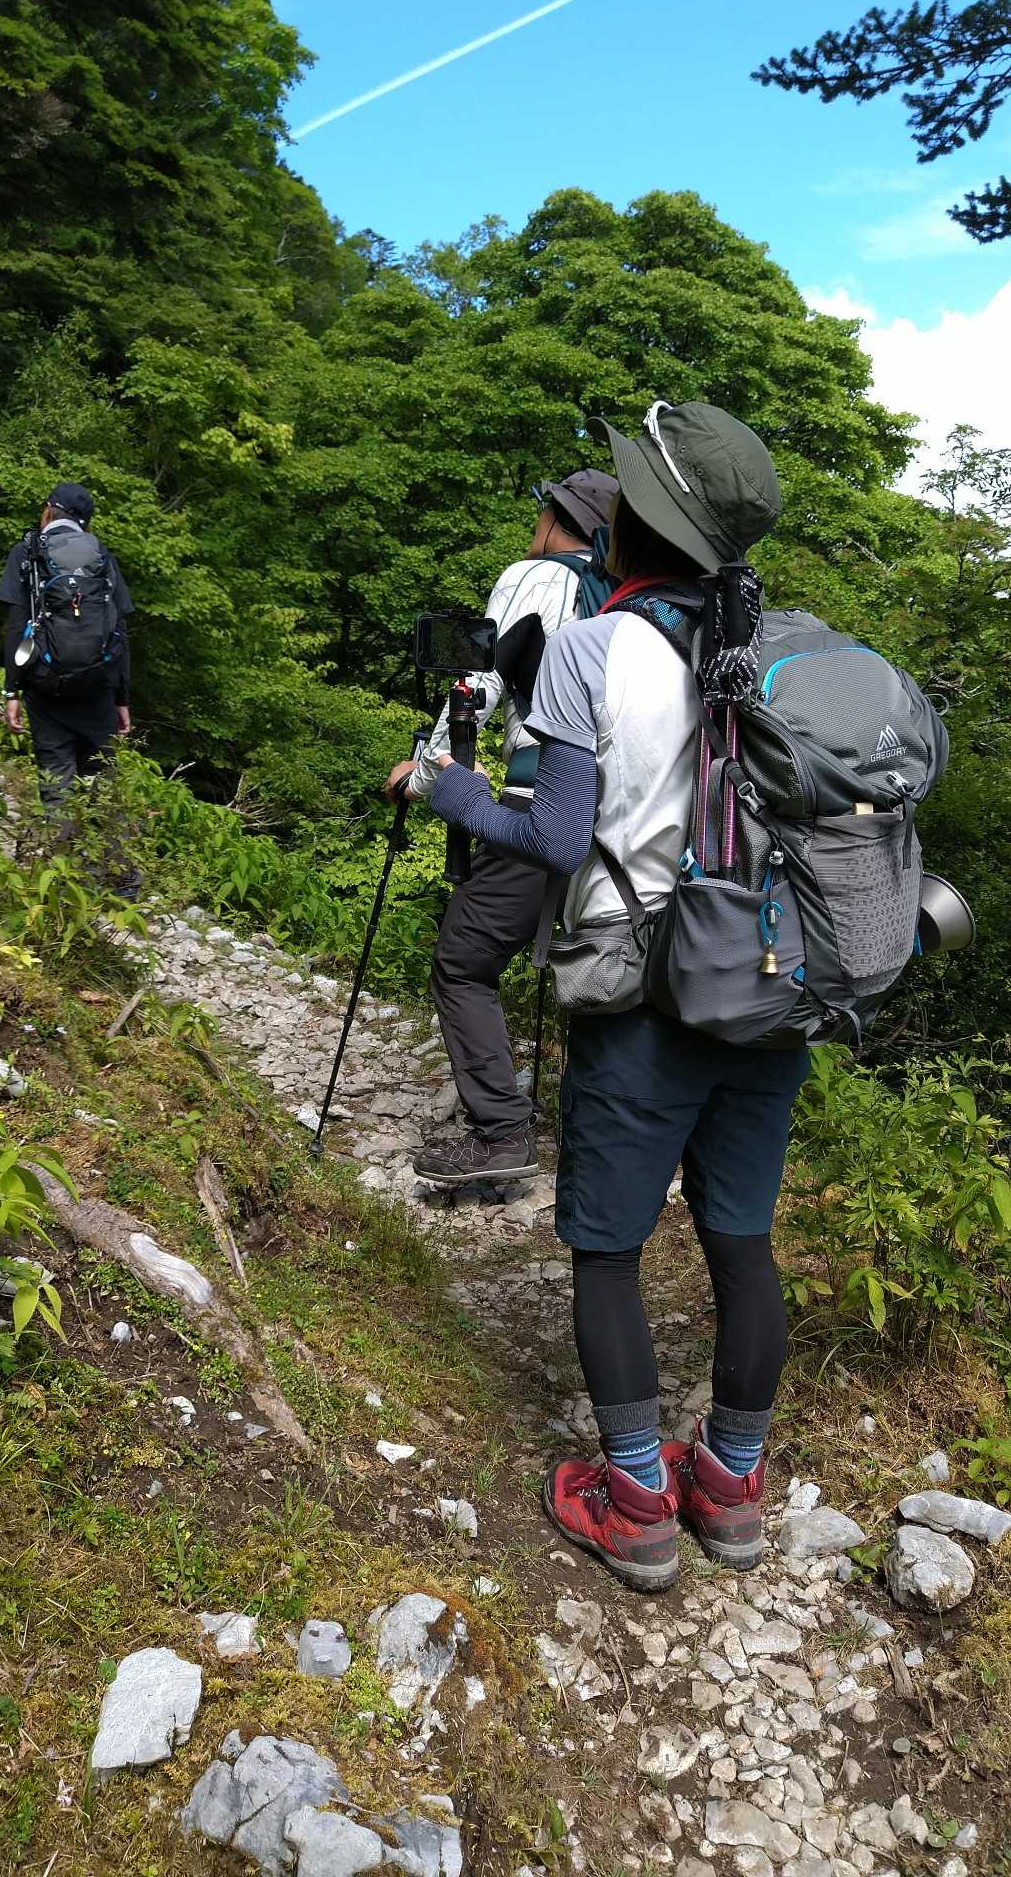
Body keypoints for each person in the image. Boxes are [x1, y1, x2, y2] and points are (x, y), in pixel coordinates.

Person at [427, 400, 808, 1589]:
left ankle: (636, 1498)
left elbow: (554, 835)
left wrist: (450, 791)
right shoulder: (784, 649)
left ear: (631, 524)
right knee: (741, 1240)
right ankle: (730, 1487)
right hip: (770, 985)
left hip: (646, 997)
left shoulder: (594, 647)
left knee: (608, 1247)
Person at [384, 468, 618, 1186]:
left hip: (541, 798)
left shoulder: (535, 576)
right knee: (602, 965)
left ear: (555, 519)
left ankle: (501, 1131)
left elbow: (476, 686)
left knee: (463, 963)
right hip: (627, 813)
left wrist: (424, 777)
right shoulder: (625, 598)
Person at [0, 482, 133, 811]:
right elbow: (119, 630)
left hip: (46, 686)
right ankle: (104, 842)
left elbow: (16, 628)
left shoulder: (27, 553)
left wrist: (11, 692)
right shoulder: (101, 555)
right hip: (97, 686)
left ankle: (60, 840)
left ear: (49, 510)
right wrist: (122, 699)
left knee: (56, 783)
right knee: (102, 785)